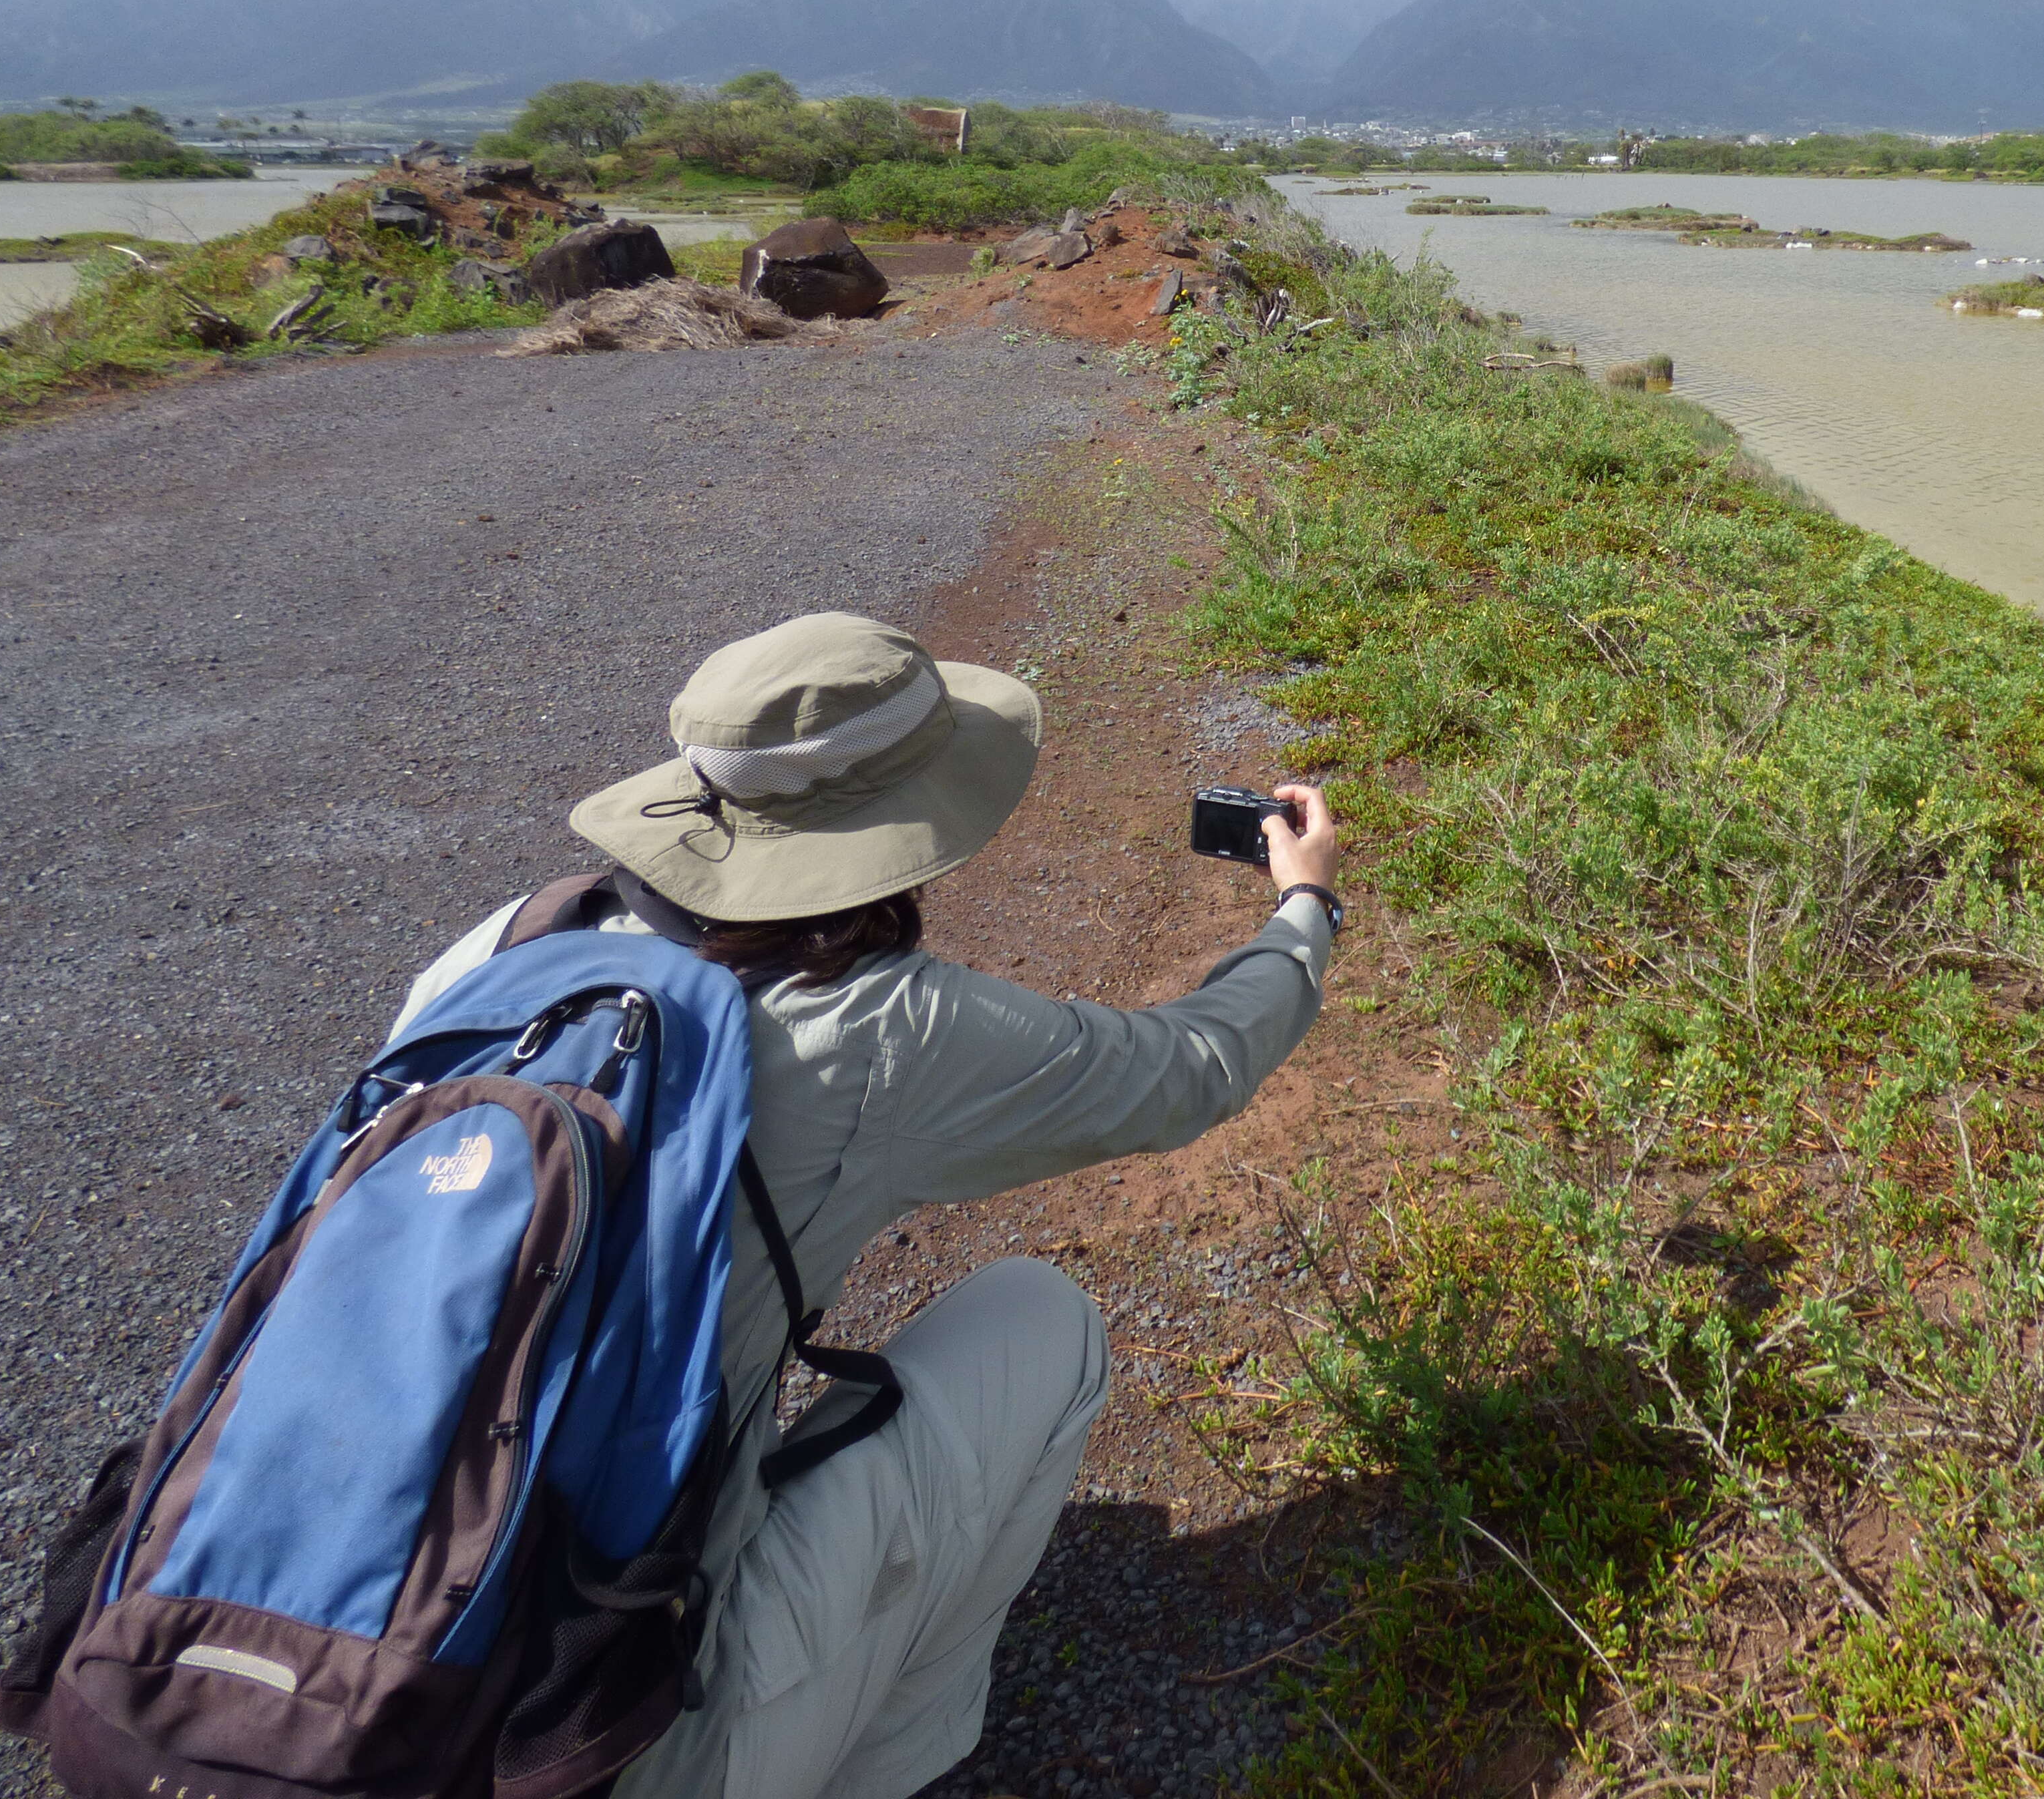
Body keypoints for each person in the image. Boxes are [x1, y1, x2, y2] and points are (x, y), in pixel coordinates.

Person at [389, 610, 1341, 1799]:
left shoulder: (514, 943)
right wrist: (1305, 908)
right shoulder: (876, 1022)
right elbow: (1191, 1068)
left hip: (323, 1664)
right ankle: (884, 1765)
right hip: (600, 1744)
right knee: (1043, 1324)